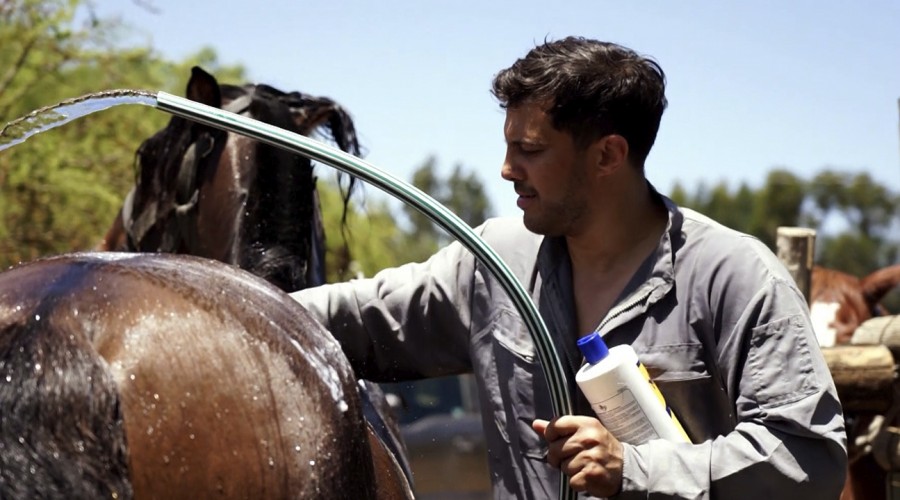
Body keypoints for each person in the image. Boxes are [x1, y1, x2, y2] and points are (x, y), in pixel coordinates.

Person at [290, 36, 847, 499]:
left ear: (607, 155)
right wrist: (211, 305)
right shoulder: (493, 262)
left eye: (530, 149)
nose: (507, 170)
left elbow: (807, 457)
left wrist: (636, 469)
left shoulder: (735, 277)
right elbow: (352, 316)